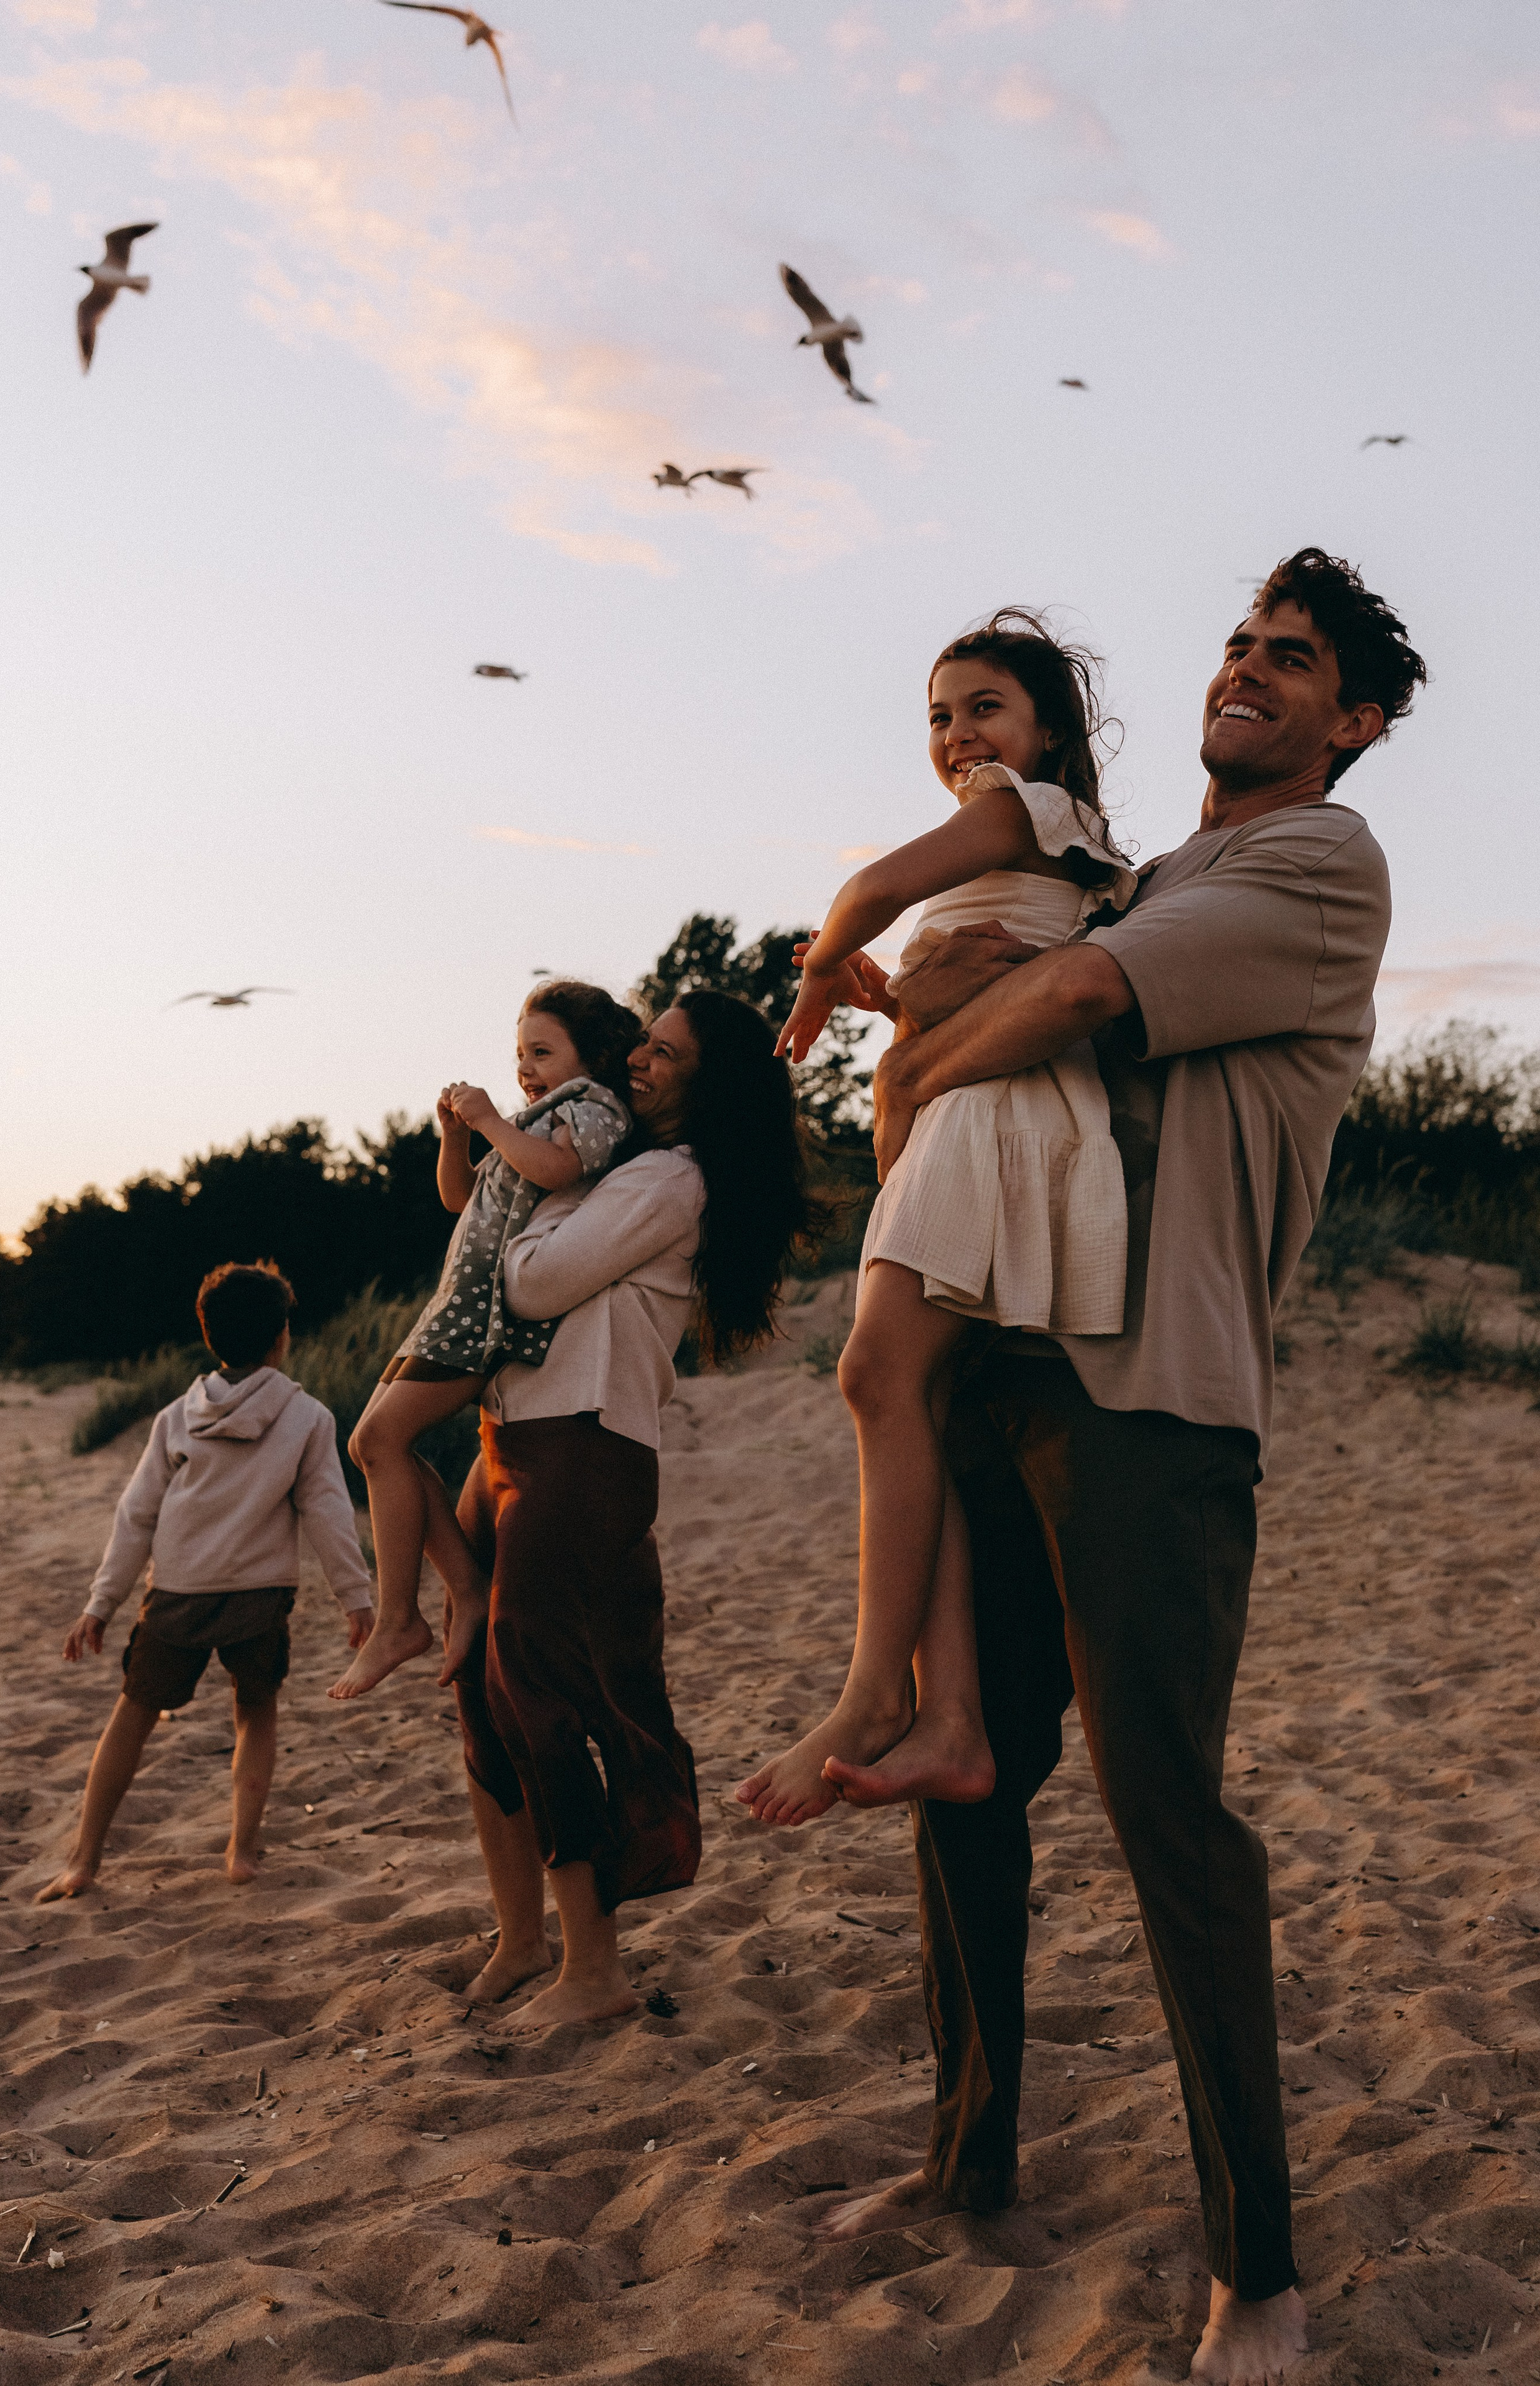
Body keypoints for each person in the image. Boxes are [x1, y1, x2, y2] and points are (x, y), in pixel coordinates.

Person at [808, 550, 1426, 2386]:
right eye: (1238, 643)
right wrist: (941, 1007)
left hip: (1158, 1400)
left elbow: (1074, 1007)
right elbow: (1005, 1010)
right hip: (1011, 1371)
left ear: (1356, 718)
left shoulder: (1313, 868)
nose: (1246, 669)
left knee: (1170, 1820)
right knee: (963, 1770)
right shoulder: (1144, 872)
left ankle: (1261, 2280)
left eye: (1290, 658)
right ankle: (966, 2159)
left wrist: (934, 1036)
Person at [739, 612, 1136, 1827]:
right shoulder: (1010, 844)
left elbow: (870, 886)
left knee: (872, 1376)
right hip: (954, 1117)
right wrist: (880, 996)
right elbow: (966, 964)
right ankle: (947, 1715)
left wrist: (816, 968)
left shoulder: (1023, 806)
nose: (957, 734)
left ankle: (870, 1699)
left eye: (981, 706)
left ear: (1046, 731)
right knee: (922, 1407)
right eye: (937, 714)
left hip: (990, 1120)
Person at [449, 992, 828, 2031]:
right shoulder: (616, 1163)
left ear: (710, 1083)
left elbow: (531, 1280)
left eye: (665, 1051)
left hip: (584, 1438)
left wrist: (517, 1208)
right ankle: (524, 1937)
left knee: (542, 1685)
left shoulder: (671, 1179)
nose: (641, 1060)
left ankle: (594, 1969)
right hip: (520, 1431)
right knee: (477, 1681)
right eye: (644, 1042)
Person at [331, 982, 639, 1702]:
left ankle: (402, 1620)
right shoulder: (533, 1119)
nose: (526, 1066)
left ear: (591, 1054)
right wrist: (456, 1136)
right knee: (372, 1445)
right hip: (452, 1309)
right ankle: (462, 1591)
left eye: (542, 1050)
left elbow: (560, 1170)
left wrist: (496, 1119)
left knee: (379, 1441)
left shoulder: (593, 1108)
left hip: (486, 1316)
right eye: (519, 1053)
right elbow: (458, 1197)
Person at [38, 1261, 373, 1901]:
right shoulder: (307, 1416)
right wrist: (354, 1597)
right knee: (255, 1713)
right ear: (282, 1336)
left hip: (177, 1594)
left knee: (132, 1716)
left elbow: (136, 1516)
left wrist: (101, 1604)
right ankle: (242, 1852)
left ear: (209, 1334)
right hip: (259, 1596)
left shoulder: (176, 1417)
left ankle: (84, 1859)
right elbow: (327, 1511)